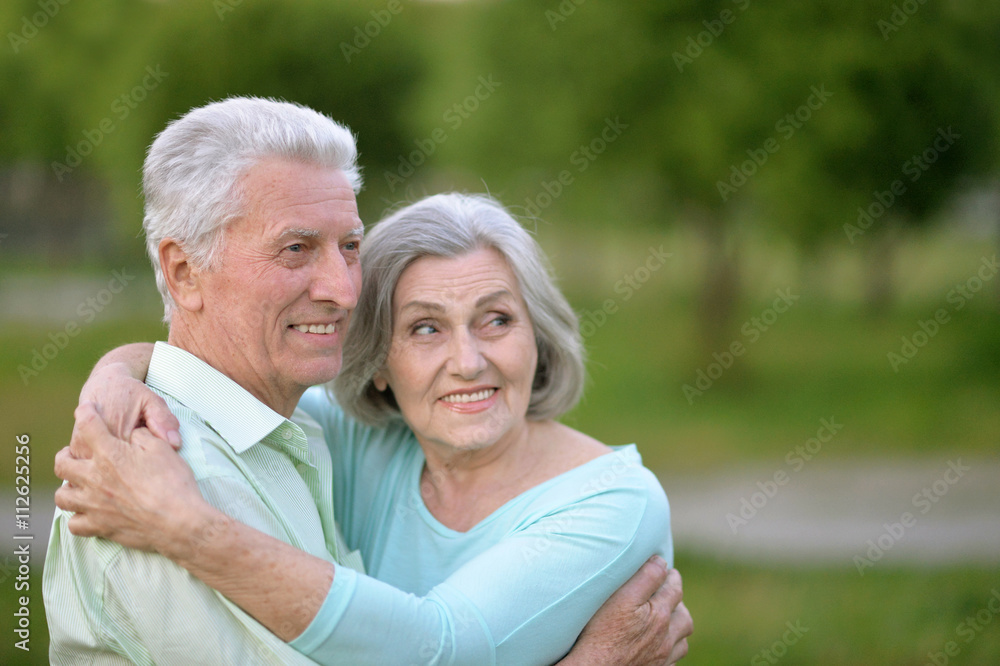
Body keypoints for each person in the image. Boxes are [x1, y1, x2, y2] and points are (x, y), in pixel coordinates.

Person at [47, 97, 691, 664]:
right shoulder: (154, 482)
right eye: (296, 248)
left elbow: (445, 643)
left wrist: (119, 373)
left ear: (538, 332)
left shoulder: (295, 434)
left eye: (349, 248)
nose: (339, 290)